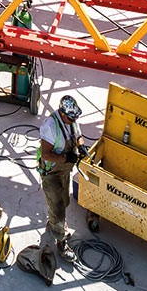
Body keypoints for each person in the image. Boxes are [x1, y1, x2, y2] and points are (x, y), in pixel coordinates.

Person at [36, 94, 86, 263]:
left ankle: (52, 223)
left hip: (64, 171)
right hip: (51, 173)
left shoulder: (71, 121)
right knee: (58, 207)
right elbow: (46, 154)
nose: (73, 120)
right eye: (71, 118)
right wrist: (66, 158)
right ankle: (61, 242)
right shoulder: (50, 126)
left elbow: (78, 135)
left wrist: (82, 146)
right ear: (62, 113)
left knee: (64, 201)